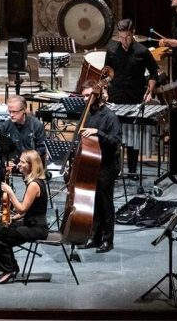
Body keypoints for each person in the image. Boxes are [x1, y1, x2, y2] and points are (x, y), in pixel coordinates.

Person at [105, 19, 159, 177]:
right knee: (114, 135)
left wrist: (149, 91)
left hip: (134, 98)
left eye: (127, 37)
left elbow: (153, 72)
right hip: (115, 97)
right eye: (121, 37)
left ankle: (133, 170)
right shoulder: (112, 50)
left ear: (133, 33)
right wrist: (106, 91)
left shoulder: (142, 51)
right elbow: (106, 73)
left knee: (132, 137)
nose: (124, 40)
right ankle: (115, 169)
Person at [0, 150, 49, 284]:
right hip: (30, 223)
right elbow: (29, 209)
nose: (19, 164)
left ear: (31, 165)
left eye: (22, 162)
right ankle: (10, 267)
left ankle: (10, 269)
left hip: (37, 228)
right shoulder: (33, 181)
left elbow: (22, 208)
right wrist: (14, 218)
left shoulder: (34, 185)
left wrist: (10, 192)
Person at [77, 80, 122, 253]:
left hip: (106, 164)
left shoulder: (110, 116)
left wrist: (98, 133)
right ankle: (93, 237)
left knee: (105, 203)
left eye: (88, 96)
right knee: (93, 202)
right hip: (90, 163)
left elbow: (116, 141)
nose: (85, 99)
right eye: (83, 96)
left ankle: (107, 240)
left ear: (96, 96)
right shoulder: (86, 113)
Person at [0, 95, 47, 187]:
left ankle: (30, 199)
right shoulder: (6, 126)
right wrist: (5, 162)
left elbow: (41, 149)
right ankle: (6, 198)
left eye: (14, 112)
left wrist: (25, 161)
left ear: (24, 110)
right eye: (9, 112)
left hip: (30, 163)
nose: (11, 115)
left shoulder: (36, 125)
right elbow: (2, 150)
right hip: (13, 162)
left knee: (32, 179)